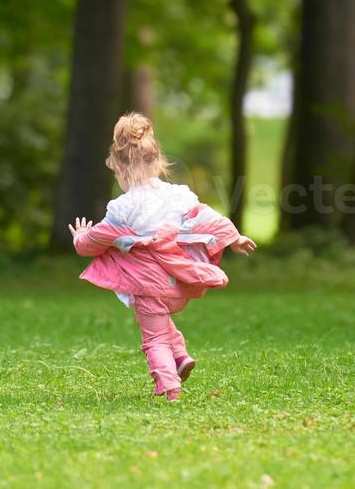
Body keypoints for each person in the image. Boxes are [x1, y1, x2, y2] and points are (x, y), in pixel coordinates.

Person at [69, 113, 256, 400]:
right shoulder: (178, 195)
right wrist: (234, 238)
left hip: (147, 285)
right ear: (157, 162)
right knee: (161, 321)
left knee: (154, 337)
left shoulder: (122, 208)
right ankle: (180, 357)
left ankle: (168, 386)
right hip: (177, 282)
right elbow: (205, 217)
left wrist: (80, 236)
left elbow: (94, 242)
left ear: (120, 169)